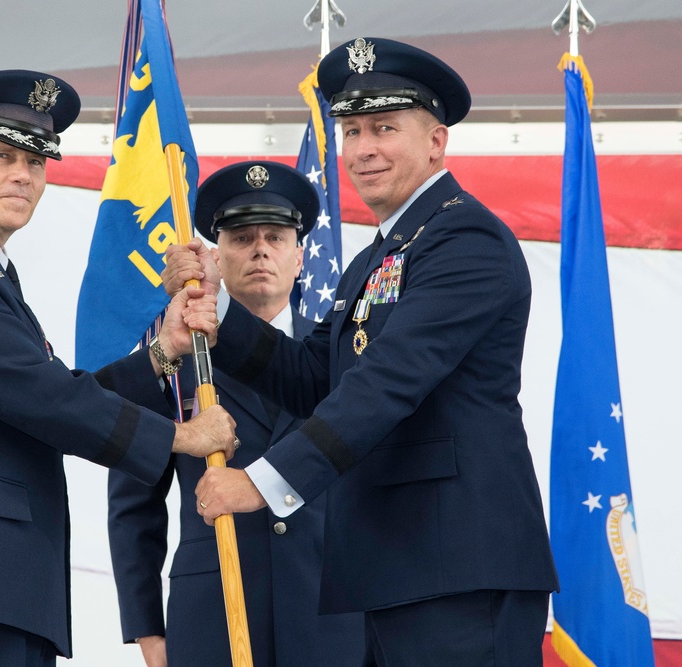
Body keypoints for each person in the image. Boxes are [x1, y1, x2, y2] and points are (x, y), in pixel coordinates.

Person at [164, 39, 560, 666]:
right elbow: (313, 376)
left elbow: (387, 383)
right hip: (391, 570)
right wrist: (221, 316)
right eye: (350, 131)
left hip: (458, 570)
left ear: (436, 142)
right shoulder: (376, 258)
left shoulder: (465, 238)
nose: (363, 149)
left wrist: (262, 485)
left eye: (384, 128)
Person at [0, 69, 236, 667]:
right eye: (2, 155)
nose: (23, 174)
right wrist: (180, 436)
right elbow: (46, 399)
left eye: (36, 161)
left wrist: (161, 353)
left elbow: (48, 396)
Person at [107, 162, 365, 667]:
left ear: (299, 258)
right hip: (214, 616)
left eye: (275, 236)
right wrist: (145, 627)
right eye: (242, 237)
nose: (260, 250)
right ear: (216, 261)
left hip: (332, 616)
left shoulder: (346, 355)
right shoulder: (176, 353)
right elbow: (134, 497)